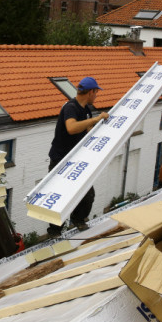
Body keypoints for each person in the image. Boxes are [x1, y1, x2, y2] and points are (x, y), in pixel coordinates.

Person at [47, 76, 110, 236]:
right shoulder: (71, 107)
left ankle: (78, 221)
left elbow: (87, 131)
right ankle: (54, 231)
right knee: (60, 196)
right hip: (61, 160)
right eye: (96, 92)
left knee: (87, 195)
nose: (96, 96)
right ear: (90, 92)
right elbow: (72, 128)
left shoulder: (86, 110)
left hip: (76, 159)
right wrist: (96, 119)